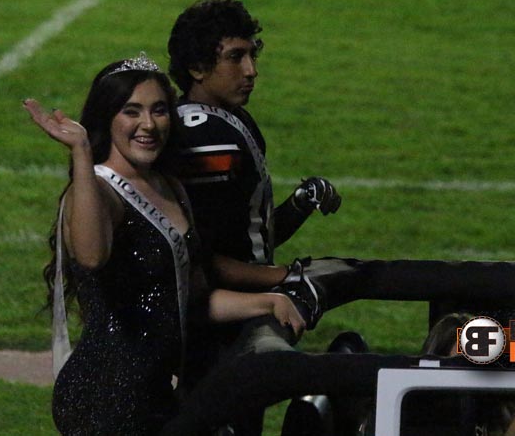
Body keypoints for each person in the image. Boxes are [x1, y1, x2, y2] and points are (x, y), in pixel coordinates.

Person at [165, 0, 515, 433]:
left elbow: (249, 243)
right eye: (235, 57)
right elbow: (204, 262)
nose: (251, 70)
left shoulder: (230, 120)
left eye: (253, 55)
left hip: (237, 315)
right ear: (197, 67)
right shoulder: (207, 138)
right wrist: (283, 277)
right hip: (213, 326)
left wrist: (300, 204)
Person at [23, 54, 306, 435]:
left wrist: (268, 301)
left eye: (159, 110)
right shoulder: (97, 190)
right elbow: (91, 256)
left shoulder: (170, 187)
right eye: (131, 111)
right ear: (107, 118)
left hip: (156, 394)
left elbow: (192, 298)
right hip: (105, 399)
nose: (148, 124)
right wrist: (81, 151)